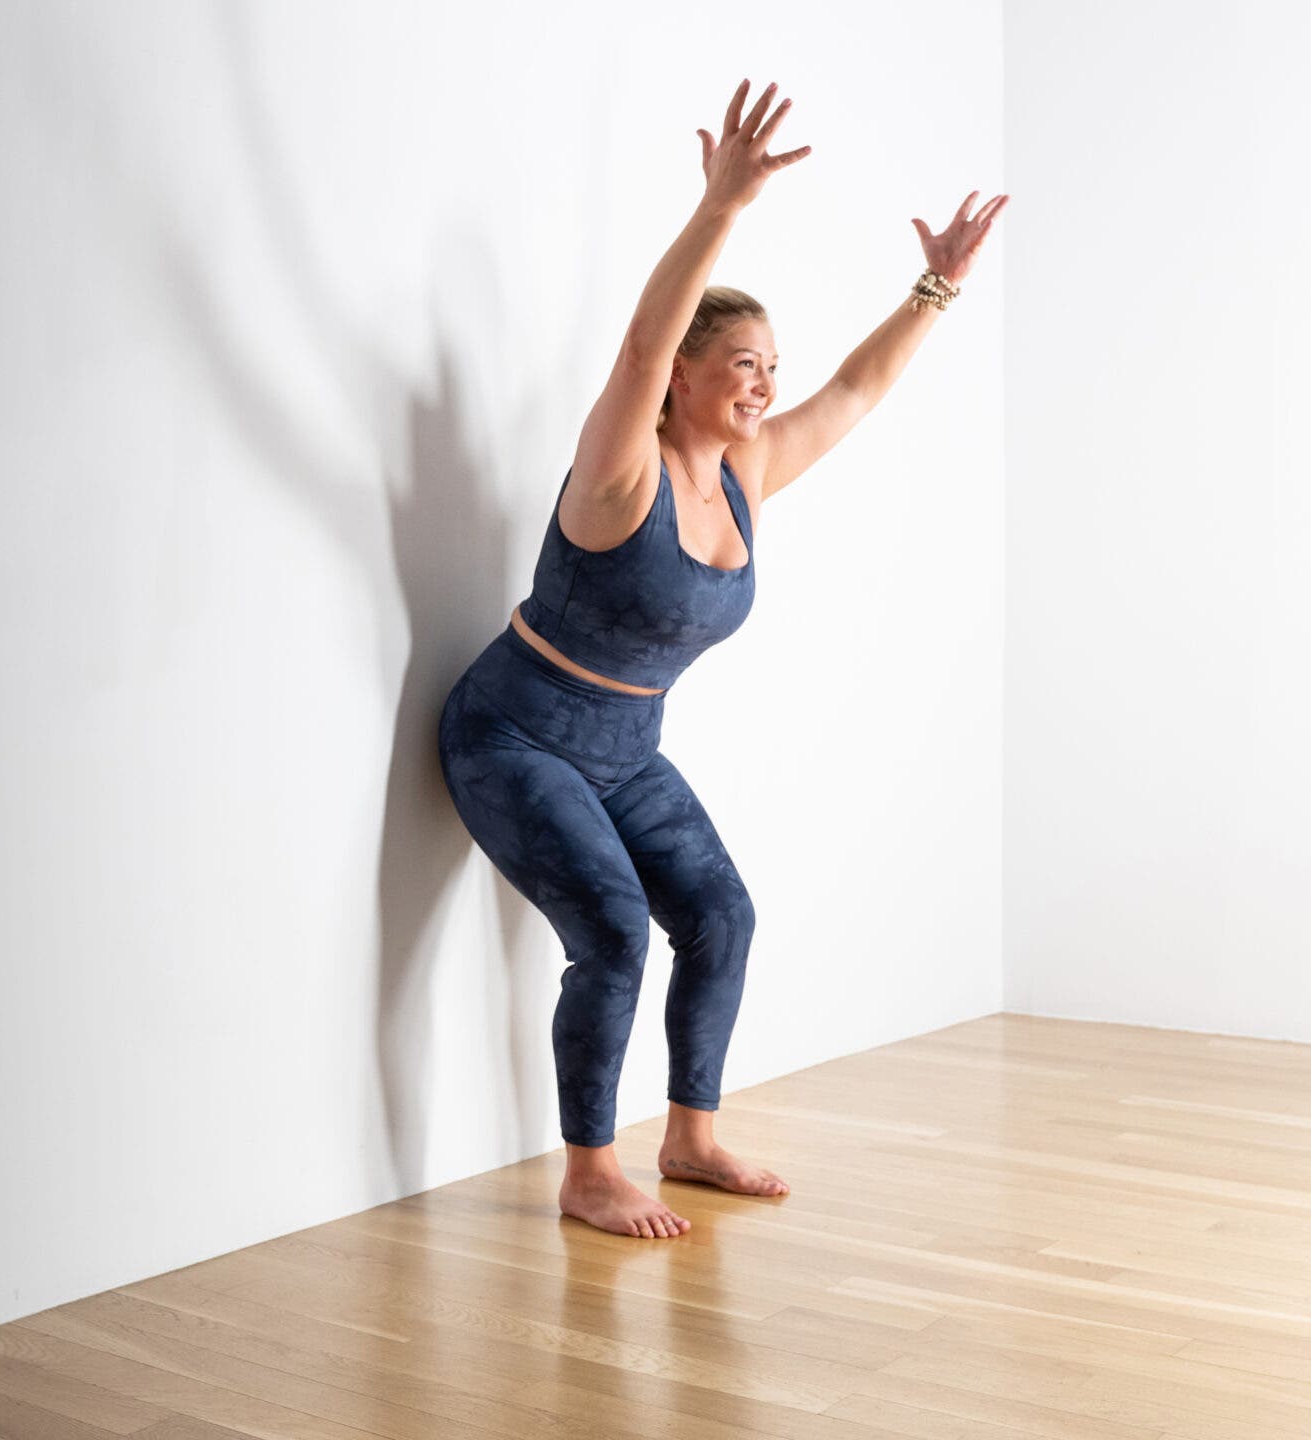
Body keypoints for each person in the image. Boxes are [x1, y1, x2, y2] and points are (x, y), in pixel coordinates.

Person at [437, 79, 1006, 1239]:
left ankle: (688, 1138)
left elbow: (855, 389)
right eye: (742, 362)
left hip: (626, 744)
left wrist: (935, 287)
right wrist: (720, 210)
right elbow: (644, 337)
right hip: (515, 732)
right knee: (608, 928)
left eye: (769, 363)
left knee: (720, 917)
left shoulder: (744, 478)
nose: (766, 381)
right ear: (684, 380)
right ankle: (589, 1170)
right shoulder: (618, 472)